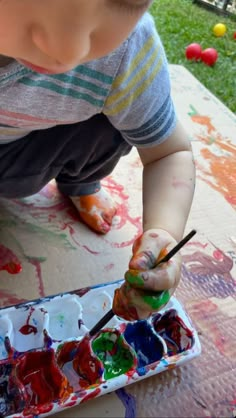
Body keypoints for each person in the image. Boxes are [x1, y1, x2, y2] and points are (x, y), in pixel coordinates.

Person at [0, 0, 195, 320]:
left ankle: (80, 182)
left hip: (26, 153)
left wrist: (164, 231)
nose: (70, 50)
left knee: (125, 114)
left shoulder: (125, 52)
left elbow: (170, 152)